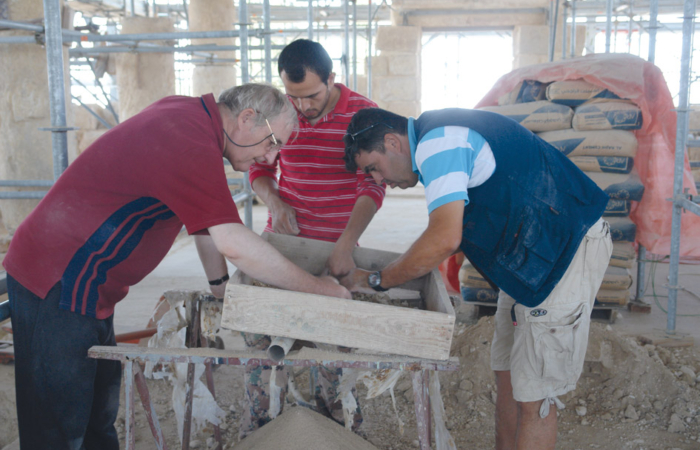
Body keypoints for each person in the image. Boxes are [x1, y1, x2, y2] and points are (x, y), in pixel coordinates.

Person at [2, 83, 350, 450]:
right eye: (271, 142)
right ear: (247, 119)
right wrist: (318, 287)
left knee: (97, 411)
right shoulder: (189, 140)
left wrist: (220, 285)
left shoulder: (192, 120)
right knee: (59, 422)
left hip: (87, 282)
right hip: (58, 277)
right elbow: (234, 243)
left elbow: (204, 222)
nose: (269, 157)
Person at [340, 107, 613, 450]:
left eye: (373, 168)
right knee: (509, 377)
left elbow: (443, 238)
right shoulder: (435, 140)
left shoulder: (438, 143)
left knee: (535, 398)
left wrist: (378, 280)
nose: (378, 181)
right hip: (530, 258)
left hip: (565, 250)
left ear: (393, 142)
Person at [195, 39, 384, 438]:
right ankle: (263, 432)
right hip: (282, 246)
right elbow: (257, 168)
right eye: (294, 97)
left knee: (333, 358)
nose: (303, 107)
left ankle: (340, 433)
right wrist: (275, 203)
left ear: (331, 79)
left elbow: (373, 186)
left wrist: (346, 243)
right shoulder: (278, 114)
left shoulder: (363, 114)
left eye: (312, 96)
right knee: (265, 351)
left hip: (336, 249)